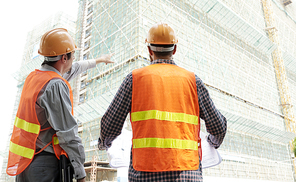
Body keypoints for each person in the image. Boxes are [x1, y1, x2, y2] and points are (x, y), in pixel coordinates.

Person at [98, 22, 227, 181]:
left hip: (144, 173)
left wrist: (104, 144)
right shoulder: (193, 81)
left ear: (149, 50)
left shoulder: (134, 79)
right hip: (187, 173)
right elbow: (218, 126)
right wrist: (212, 143)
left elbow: (109, 124)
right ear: (174, 49)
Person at [6, 28, 114, 182]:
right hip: (45, 166)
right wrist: (80, 172)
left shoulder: (35, 78)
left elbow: (74, 68)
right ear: (64, 58)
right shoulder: (55, 85)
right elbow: (68, 133)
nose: (73, 60)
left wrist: (99, 60)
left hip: (27, 164)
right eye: (72, 56)